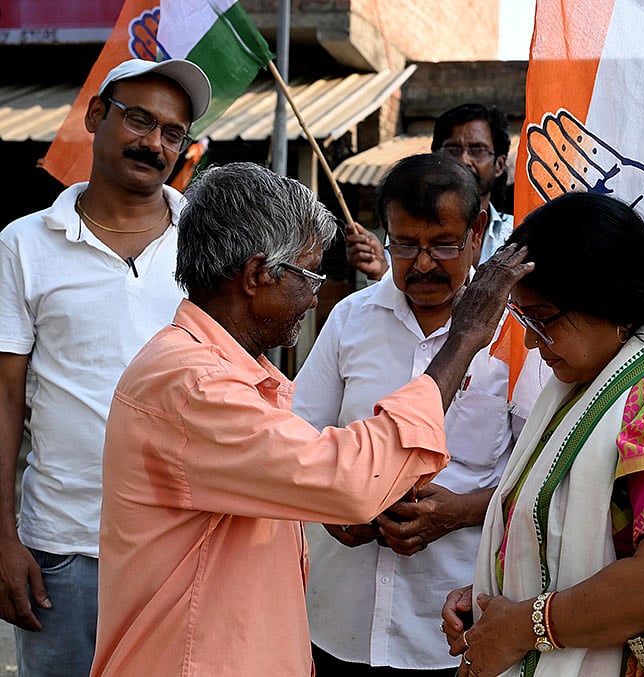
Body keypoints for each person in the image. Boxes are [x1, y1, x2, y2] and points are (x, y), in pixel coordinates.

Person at [89, 162, 532, 676]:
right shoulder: (195, 385)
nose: (317, 295)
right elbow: (344, 478)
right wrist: (462, 342)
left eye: (444, 244)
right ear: (258, 275)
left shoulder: (226, 374)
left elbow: (311, 465)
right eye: (309, 275)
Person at [441, 191, 644, 677]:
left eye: (543, 319)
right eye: (524, 320)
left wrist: (521, 627)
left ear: (610, 299)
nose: (533, 342)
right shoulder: (585, 389)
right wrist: (496, 595)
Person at [0, 57, 211, 676]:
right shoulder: (24, 243)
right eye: (139, 120)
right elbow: (7, 396)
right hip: (61, 549)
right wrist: (4, 537)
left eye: (173, 133)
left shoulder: (208, 242)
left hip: (181, 541)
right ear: (97, 115)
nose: (154, 143)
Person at [294, 153, 524, 676]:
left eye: (442, 244)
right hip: (337, 619)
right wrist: (332, 506)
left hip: (449, 628)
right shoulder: (350, 319)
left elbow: (543, 473)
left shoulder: (517, 335)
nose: (422, 264)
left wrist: (460, 512)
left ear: (477, 231)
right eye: (405, 245)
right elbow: (298, 439)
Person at [348, 103, 513, 280]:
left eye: (477, 150)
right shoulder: (405, 233)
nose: (464, 160)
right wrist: (381, 273)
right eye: (453, 149)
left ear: (499, 165)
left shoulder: (516, 235)